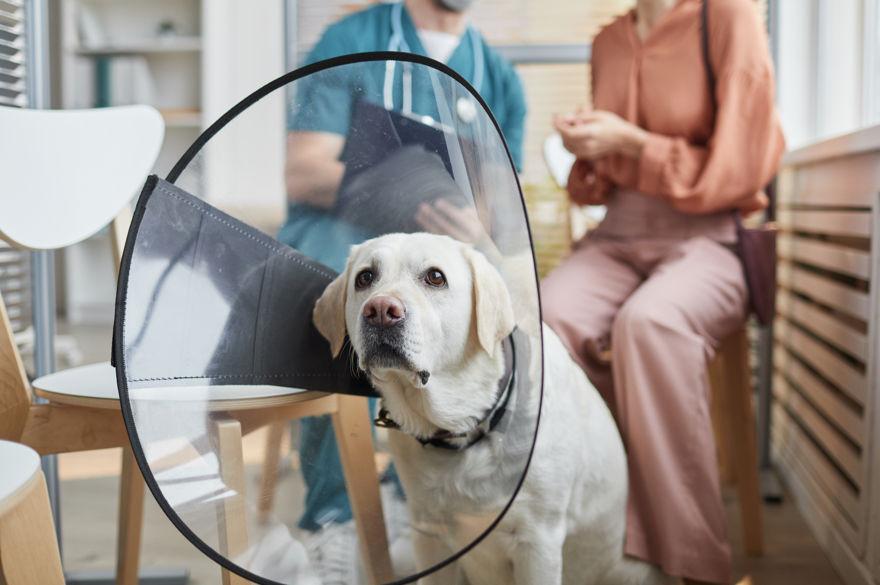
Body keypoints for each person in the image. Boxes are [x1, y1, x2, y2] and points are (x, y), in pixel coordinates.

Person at [276, 1, 527, 581]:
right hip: (339, 234)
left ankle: (408, 492)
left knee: (490, 289)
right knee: (331, 291)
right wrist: (403, 188)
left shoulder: (501, 80)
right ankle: (333, 518)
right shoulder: (350, 40)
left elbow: (499, 206)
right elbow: (306, 170)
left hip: (441, 250)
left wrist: (474, 227)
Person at [540, 0, 784, 584]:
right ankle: (610, 534)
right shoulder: (608, 42)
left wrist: (632, 140)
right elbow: (601, 186)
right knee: (545, 321)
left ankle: (695, 564)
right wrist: (590, 150)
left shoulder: (729, 19)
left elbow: (744, 167)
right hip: (619, 233)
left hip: (710, 236)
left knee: (650, 324)